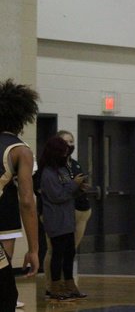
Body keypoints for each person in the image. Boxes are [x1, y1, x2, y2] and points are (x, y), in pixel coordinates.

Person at [0, 79, 39, 311]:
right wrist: (34, 249)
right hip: (4, 222)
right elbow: (27, 201)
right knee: (6, 296)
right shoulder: (20, 150)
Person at [41, 130, 92, 298]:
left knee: (70, 253)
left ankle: (70, 285)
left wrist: (79, 189)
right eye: (62, 152)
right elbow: (57, 196)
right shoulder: (48, 173)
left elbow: (68, 193)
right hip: (56, 219)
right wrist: (74, 184)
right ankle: (55, 287)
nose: (65, 155)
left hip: (67, 218)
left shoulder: (63, 170)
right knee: (57, 254)